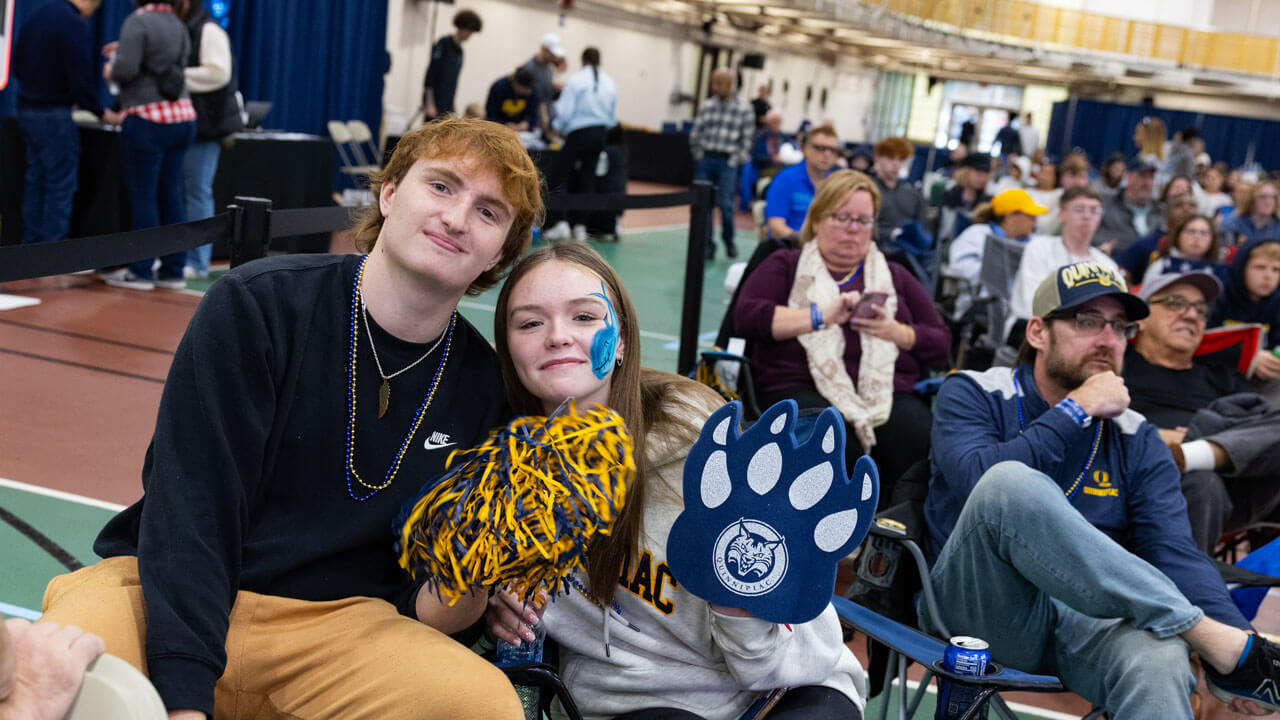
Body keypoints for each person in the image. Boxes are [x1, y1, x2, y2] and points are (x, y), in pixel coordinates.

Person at [39, 117, 543, 720]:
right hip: (167, 593)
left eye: (489, 212)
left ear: (502, 251)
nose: (458, 218)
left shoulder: (488, 393)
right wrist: (182, 700)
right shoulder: (258, 305)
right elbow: (193, 512)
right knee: (65, 672)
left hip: (343, 628)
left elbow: (425, 612)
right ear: (388, 193)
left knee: (483, 706)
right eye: (441, 186)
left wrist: (479, 574)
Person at [486, 242, 868, 720]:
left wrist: (739, 603)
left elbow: (769, 663)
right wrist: (490, 605)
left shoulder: (703, 455)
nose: (558, 336)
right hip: (641, 703)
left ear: (621, 339)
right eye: (530, 323)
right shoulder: (499, 480)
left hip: (786, 684)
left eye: (584, 317)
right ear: (507, 348)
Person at [925, 260, 1280, 718]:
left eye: (1120, 327)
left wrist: (1241, 652)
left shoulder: (1137, 436)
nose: (1107, 339)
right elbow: (977, 482)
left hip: (1087, 618)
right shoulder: (974, 391)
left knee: (1162, 659)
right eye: (1086, 321)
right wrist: (1075, 410)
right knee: (1006, 483)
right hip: (980, 607)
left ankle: (1219, 644)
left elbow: (1175, 552)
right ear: (1037, 332)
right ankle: (1199, 631)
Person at [735, 170, 951, 495]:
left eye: (864, 220)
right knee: (831, 436)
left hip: (885, 393)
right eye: (843, 217)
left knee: (920, 437)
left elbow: (942, 345)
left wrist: (896, 331)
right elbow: (747, 318)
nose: (854, 229)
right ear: (818, 219)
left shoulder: (896, 275)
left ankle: (895, 532)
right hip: (798, 385)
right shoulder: (786, 265)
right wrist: (820, 316)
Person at [1125, 270, 1280, 552]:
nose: (1191, 314)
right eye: (1174, 303)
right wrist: (1162, 437)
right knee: (1201, 479)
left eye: (1200, 309)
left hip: (1235, 487)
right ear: (1142, 319)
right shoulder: (1120, 365)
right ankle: (1191, 591)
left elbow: (1262, 431)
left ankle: (1200, 452)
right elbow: (1095, 420)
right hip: (1144, 475)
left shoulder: (1223, 376)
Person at [99, 0, 197, 292]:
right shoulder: (179, 24)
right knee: (172, 196)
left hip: (146, 118)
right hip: (182, 117)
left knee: (143, 197)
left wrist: (111, 69)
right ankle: (173, 270)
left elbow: (125, 70)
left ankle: (140, 271)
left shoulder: (137, 21)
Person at [11, 0, 105, 245]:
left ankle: (30, 248)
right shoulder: (71, 23)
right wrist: (98, 110)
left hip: (27, 109)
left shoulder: (38, 14)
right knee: (59, 185)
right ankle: (53, 254)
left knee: (36, 181)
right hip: (53, 113)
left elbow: (17, 63)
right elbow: (80, 78)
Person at [178, 0, 242, 280]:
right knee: (181, 194)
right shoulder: (181, 26)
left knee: (197, 193)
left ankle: (198, 260)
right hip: (183, 123)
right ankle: (176, 256)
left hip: (205, 126)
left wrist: (175, 77)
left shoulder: (209, 29)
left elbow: (218, 73)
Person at [1007, 187, 1120, 341]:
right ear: (1061, 215)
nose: (1087, 216)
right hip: (1032, 330)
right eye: (1079, 209)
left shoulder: (1107, 265)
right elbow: (1033, 304)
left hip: (1086, 338)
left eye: (1094, 210)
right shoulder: (1040, 246)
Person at [543, 47, 619, 245]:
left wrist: (557, 128)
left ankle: (561, 223)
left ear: (583, 60)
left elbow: (565, 110)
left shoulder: (576, 80)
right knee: (588, 179)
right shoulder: (610, 83)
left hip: (579, 133)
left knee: (559, 175)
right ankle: (580, 226)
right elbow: (612, 117)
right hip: (600, 133)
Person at [943, 188, 1046, 319]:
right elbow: (959, 269)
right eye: (1030, 216)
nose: (1034, 222)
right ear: (1010, 216)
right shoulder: (977, 234)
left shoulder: (1034, 243)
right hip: (981, 310)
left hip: (1025, 310)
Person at [688, 68, 755, 260]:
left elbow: (747, 139)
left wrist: (736, 160)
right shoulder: (707, 106)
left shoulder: (744, 109)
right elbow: (696, 132)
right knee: (703, 206)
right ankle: (707, 246)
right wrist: (698, 154)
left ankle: (728, 240)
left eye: (720, 82)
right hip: (706, 159)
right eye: (714, 81)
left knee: (725, 205)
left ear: (731, 83)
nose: (716, 85)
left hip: (728, 162)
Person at [1210, 238, 1280, 371]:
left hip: (1263, 374)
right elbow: (1203, 342)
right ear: (1242, 268)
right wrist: (1248, 356)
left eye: (1276, 270)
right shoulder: (1220, 296)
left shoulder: (1277, 302)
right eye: (1260, 267)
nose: (1268, 276)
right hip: (1218, 369)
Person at [763, 126, 840, 243]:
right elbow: (776, 225)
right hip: (789, 247)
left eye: (832, 150)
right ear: (804, 149)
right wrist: (808, 244)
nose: (827, 154)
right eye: (820, 148)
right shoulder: (786, 179)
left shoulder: (836, 184)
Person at [1115, 187, 1199, 282]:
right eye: (1178, 205)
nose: (1186, 209)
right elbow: (1120, 271)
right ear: (1166, 214)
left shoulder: (1206, 242)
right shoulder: (1149, 242)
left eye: (1192, 205)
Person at [421, 9, 482, 121]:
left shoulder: (460, 51)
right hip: (435, 101)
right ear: (462, 27)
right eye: (469, 31)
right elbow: (431, 74)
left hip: (447, 103)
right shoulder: (443, 44)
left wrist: (453, 106)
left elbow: (453, 81)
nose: (470, 35)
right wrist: (429, 103)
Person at [1095, 156, 1162, 255]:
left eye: (1151, 177)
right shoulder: (1107, 204)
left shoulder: (1161, 211)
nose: (1147, 182)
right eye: (1142, 176)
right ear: (1129, 177)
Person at [868, 137, 926, 250]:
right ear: (877, 159)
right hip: (875, 250)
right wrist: (889, 234)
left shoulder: (913, 194)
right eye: (890, 158)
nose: (896, 164)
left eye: (900, 159)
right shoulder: (867, 191)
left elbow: (923, 229)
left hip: (908, 253)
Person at [1139, 214, 1222, 287]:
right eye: (1191, 231)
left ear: (1212, 239)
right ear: (1178, 236)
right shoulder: (1161, 265)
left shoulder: (1221, 271)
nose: (1197, 237)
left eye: (1203, 233)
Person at [519, 33, 565, 139]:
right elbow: (532, 97)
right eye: (552, 53)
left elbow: (547, 93)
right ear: (544, 49)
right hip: (534, 125)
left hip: (548, 123)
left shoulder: (548, 69)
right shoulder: (529, 68)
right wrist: (543, 115)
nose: (554, 57)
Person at [1218, 180, 1280, 248]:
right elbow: (1226, 254)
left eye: (1273, 197)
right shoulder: (1231, 223)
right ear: (1251, 200)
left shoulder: (1277, 226)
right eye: (1262, 197)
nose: (1268, 202)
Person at [484, 66, 540, 132]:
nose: (527, 92)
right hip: (500, 129)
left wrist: (527, 122)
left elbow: (533, 113)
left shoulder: (532, 90)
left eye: (528, 90)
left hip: (522, 131)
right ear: (515, 82)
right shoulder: (498, 88)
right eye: (524, 89)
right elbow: (490, 114)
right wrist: (504, 124)